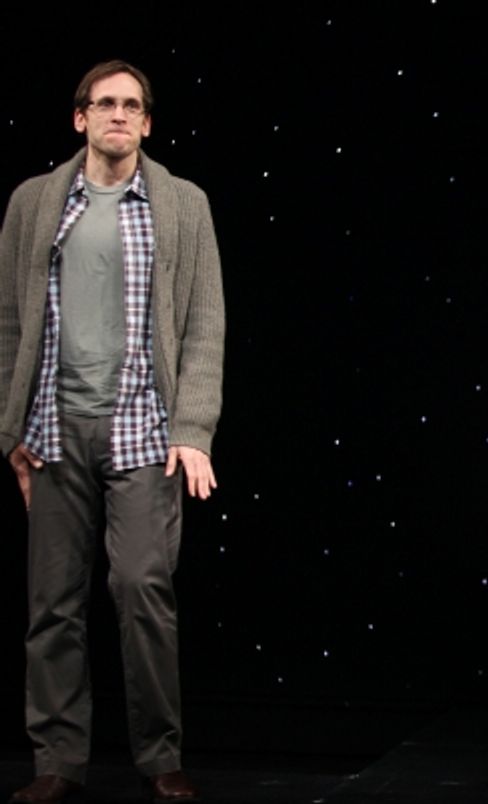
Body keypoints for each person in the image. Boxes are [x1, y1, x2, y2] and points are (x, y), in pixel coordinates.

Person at [0, 60, 224, 804]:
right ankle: (57, 762)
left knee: (141, 587)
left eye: (132, 105)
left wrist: (192, 428)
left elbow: (205, 325)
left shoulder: (182, 203)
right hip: (53, 428)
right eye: (105, 104)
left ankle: (160, 755)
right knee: (53, 603)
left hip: (142, 428)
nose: (118, 115)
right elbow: (10, 320)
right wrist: (10, 429)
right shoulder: (35, 201)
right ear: (81, 118)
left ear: (147, 122)